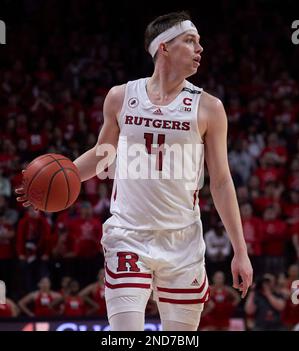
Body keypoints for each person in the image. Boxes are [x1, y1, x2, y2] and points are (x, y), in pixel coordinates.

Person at [16, 11, 253, 331]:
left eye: (199, 42)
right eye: (190, 41)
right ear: (164, 47)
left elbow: (222, 182)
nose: (200, 48)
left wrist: (240, 251)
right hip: (128, 235)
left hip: (182, 241)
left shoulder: (209, 107)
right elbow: (102, 157)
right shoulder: (121, 97)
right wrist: (54, 179)